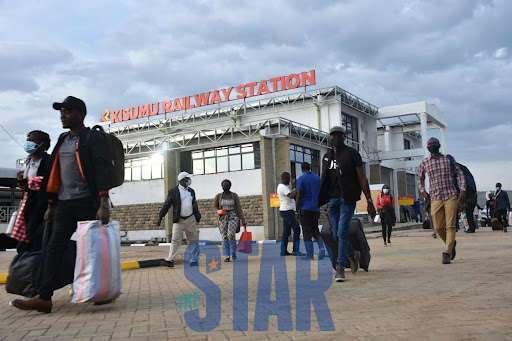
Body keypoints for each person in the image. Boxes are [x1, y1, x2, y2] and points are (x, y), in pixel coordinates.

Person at [11, 96, 112, 313]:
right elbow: (53, 173)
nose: (62, 115)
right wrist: (51, 204)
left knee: (94, 249)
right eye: (61, 112)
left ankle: (101, 291)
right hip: (64, 205)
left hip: (88, 203)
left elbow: (102, 169)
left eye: (67, 112)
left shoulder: (91, 138)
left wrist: (104, 202)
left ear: (81, 114)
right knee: (53, 249)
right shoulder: (62, 139)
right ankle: (44, 297)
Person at [318, 126, 376, 282]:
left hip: (347, 199)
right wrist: (323, 201)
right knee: (335, 233)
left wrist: (369, 201)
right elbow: (324, 179)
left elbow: (362, 178)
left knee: (342, 232)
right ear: (329, 138)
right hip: (333, 200)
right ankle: (352, 254)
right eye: (332, 135)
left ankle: (341, 267)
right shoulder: (327, 157)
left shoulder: (352, 154)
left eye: (338, 135)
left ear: (344, 137)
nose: (335, 138)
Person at [417, 137, 466, 265]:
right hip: (435, 197)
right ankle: (451, 243)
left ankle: (447, 252)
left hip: (450, 195)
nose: (432, 145)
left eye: (434, 143)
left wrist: (463, 190)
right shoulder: (424, 162)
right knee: (438, 227)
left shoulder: (448, 159)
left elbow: (459, 173)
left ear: (439, 145)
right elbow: (419, 178)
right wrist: (423, 191)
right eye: (430, 144)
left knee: (450, 225)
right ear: (427, 147)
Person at [13, 130, 51, 252]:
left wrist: (29, 182)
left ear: (43, 145)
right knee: (27, 235)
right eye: (28, 140)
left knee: (35, 236)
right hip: (30, 203)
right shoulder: (30, 160)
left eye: (32, 140)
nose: (28, 143)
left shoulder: (49, 161)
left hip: (42, 204)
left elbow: (50, 181)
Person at [157, 171, 201, 267]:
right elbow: (167, 205)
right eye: (187, 179)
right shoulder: (173, 191)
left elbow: (194, 202)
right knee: (175, 240)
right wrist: (161, 216)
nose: (189, 180)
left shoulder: (191, 191)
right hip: (179, 220)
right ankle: (170, 259)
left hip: (190, 219)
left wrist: (195, 207)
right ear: (182, 180)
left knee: (193, 239)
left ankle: (194, 259)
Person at [295, 162, 325, 260]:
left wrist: (297, 211)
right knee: (315, 230)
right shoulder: (317, 178)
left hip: (305, 208)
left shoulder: (301, 178)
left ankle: (310, 254)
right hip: (316, 208)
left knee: (307, 232)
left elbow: (299, 195)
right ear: (310, 168)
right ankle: (321, 248)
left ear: (302, 169)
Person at [213, 179, 246, 262]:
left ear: (230, 186)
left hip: (233, 216)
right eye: (224, 185)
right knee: (224, 236)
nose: (225, 187)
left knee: (230, 234)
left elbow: (238, 207)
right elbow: (214, 206)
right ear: (221, 186)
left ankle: (233, 252)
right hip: (223, 217)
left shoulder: (234, 196)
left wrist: (242, 219)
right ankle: (227, 255)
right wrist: (217, 211)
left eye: (227, 185)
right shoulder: (218, 196)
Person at [277, 172, 303, 256]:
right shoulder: (283, 187)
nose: (289, 181)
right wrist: (296, 190)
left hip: (285, 210)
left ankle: (283, 251)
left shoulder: (283, 187)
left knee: (286, 231)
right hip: (287, 211)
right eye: (288, 179)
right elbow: (291, 196)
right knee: (296, 229)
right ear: (284, 179)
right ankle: (296, 250)